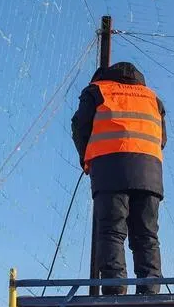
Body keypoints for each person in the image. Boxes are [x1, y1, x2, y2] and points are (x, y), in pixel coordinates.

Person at [71, 61, 166, 295]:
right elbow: (162, 138)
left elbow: (79, 126)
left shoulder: (97, 90)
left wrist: (87, 159)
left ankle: (115, 289)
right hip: (149, 172)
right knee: (146, 233)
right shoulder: (152, 97)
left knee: (112, 231)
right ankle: (150, 290)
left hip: (109, 168)